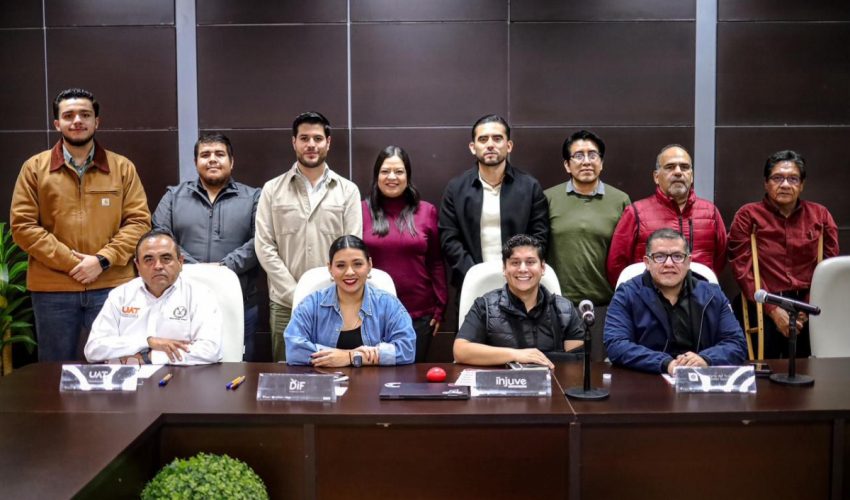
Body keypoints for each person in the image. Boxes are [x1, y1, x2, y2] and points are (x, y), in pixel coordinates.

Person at [10, 88, 151, 361]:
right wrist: (73, 263)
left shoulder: (122, 167)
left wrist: (102, 260)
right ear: (57, 123)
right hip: (53, 289)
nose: (77, 120)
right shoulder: (34, 168)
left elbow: (139, 222)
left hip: (112, 286)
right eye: (69, 115)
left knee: (119, 365)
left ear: (96, 121)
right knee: (55, 369)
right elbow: (23, 226)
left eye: (85, 115)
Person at [255, 112, 362, 362]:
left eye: (317, 138)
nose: (311, 144)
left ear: (328, 142)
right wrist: (296, 294)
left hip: (335, 302)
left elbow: (352, 249)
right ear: (294, 142)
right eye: (304, 138)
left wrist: (325, 293)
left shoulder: (348, 191)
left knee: (335, 370)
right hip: (285, 303)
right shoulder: (272, 189)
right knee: (287, 371)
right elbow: (264, 246)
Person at [152, 133, 261, 360]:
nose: (212, 159)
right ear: (195, 162)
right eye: (205, 155)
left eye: (219, 154)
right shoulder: (173, 196)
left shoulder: (253, 197)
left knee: (239, 368)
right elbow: (160, 236)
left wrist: (224, 267)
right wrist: (196, 268)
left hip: (239, 302)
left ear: (231, 161)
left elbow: (261, 240)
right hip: (182, 303)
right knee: (185, 366)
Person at [729, 150, 839, 359]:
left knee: (807, 368)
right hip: (763, 301)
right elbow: (742, 269)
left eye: (793, 179)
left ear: (802, 185)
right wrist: (772, 310)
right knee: (764, 367)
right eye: (777, 178)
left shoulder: (820, 216)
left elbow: (828, 268)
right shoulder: (748, 215)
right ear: (766, 183)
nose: (785, 184)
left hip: (807, 303)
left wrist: (806, 308)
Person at [604, 229, 747, 374]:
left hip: (699, 378)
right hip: (646, 377)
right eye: (659, 257)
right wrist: (665, 363)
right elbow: (616, 344)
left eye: (677, 256)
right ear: (647, 262)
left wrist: (706, 359)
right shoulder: (627, 294)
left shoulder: (712, 295)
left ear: (688, 261)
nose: (669, 263)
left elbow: (736, 343)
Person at [545, 130, 630, 358]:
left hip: (606, 305)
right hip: (558, 306)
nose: (586, 161)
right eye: (578, 155)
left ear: (601, 162)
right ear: (567, 165)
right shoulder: (548, 198)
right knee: (564, 370)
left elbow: (627, 253)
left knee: (601, 369)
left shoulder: (620, 200)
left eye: (592, 155)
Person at [439, 114, 549, 288]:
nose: (490, 144)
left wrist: (518, 270)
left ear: (509, 145)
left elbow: (539, 237)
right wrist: (475, 275)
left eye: (497, 139)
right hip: (471, 282)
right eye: (483, 139)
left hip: (520, 283)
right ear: (473, 147)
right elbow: (449, 239)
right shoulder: (455, 189)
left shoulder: (530, 187)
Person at [84, 230, 222, 365]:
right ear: (137, 266)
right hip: (129, 377)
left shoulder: (200, 295)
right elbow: (93, 349)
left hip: (180, 376)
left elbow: (210, 350)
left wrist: (149, 357)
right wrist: (148, 342)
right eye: (149, 260)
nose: (158, 266)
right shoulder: (120, 295)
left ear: (180, 262)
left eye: (166, 258)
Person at [362, 146, 447, 362]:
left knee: (412, 376)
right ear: (376, 175)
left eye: (399, 171)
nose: (392, 177)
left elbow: (436, 262)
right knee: (372, 378)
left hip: (419, 315)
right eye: (385, 171)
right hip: (371, 314)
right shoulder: (360, 210)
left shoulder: (427, 211)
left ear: (407, 176)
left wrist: (440, 307)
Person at [453, 234, 584, 368]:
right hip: (500, 380)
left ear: (542, 268)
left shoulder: (565, 310)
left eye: (530, 262)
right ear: (504, 269)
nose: (522, 269)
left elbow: (577, 364)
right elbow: (460, 351)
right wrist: (516, 355)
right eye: (515, 263)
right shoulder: (485, 306)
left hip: (551, 380)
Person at [606, 144, 727, 287]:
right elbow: (616, 265)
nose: (678, 172)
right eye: (670, 167)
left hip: (700, 297)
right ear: (656, 177)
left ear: (691, 176)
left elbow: (720, 260)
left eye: (684, 167)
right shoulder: (636, 213)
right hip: (648, 298)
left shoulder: (710, 212)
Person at [285, 235, 416, 366]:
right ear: (330, 268)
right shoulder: (311, 304)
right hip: (323, 379)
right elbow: (293, 349)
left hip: (375, 380)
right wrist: (349, 355)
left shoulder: (388, 304)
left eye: (357, 264)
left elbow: (407, 349)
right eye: (340, 265)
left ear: (369, 265)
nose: (349, 272)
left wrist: (352, 357)